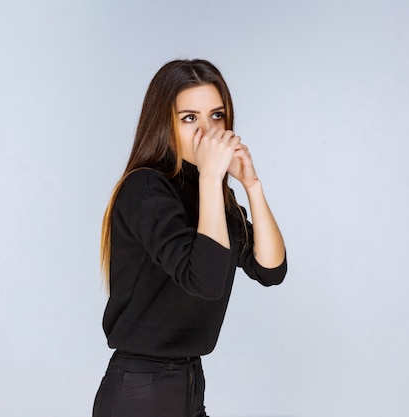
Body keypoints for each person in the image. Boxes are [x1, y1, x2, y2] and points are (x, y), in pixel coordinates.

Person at [93, 58, 287, 417]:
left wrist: (251, 185)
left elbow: (270, 269)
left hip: (188, 381)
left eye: (216, 116)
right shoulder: (146, 188)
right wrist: (212, 179)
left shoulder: (211, 195)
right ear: (163, 123)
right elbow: (205, 279)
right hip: (142, 387)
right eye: (189, 118)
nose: (207, 132)